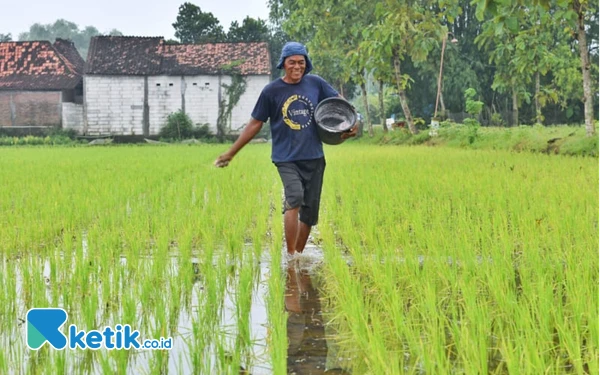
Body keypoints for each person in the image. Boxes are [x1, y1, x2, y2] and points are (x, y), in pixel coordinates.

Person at [214, 41, 357, 255]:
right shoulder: (272, 91)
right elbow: (255, 123)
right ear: (283, 63)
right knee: (295, 198)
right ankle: (290, 255)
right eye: (292, 62)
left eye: (301, 62)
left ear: (306, 64)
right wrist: (231, 153)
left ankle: (297, 255)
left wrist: (351, 124)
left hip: (314, 156)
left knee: (309, 212)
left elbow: (340, 104)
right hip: (286, 157)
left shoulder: (316, 84)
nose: (297, 67)